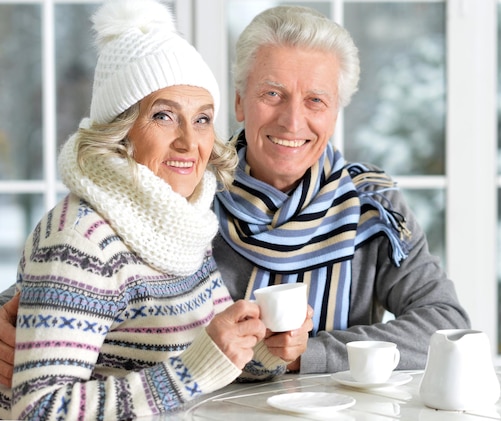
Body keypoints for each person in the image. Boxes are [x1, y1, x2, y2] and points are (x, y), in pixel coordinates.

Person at [0, 4, 470, 380]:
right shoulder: (184, 186)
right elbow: (69, 279)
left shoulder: (371, 205)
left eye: (315, 101)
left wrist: (308, 356)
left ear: (335, 112)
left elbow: (447, 325)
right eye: (272, 94)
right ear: (240, 101)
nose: (292, 121)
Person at [0, 1, 311, 419]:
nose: (188, 142)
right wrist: (191, 370)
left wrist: (265, 347)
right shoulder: (79, 238)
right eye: (164, 116)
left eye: (202, 119)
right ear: (119, 130)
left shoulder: (179, 219)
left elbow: (197, 363)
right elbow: (38, 411)